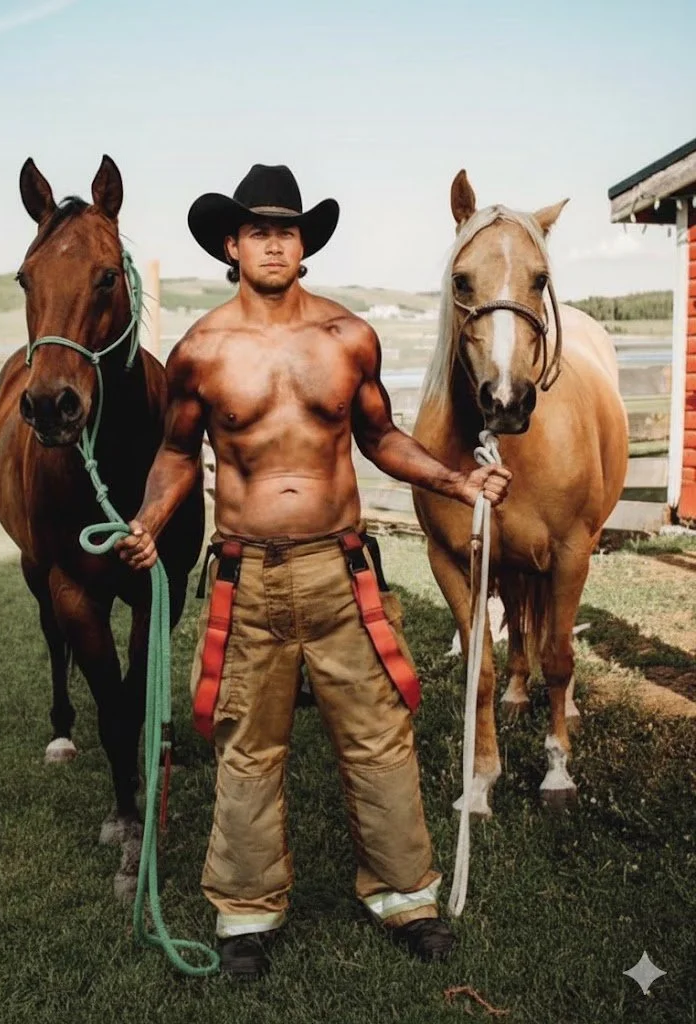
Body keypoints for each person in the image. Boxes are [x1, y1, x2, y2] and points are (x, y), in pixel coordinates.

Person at [115, 164, 511, 978]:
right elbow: (175, 453)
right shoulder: (200, 351)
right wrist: (149, 520)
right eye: (256, 229)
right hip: (246, 581)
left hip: (341, 573)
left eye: (286, 229)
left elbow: (382, 438)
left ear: (305, 245)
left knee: (378, 736)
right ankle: (246, 916)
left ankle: (407, 896)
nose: (272, 241)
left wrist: (455, 478)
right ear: (231, 244)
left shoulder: (347, 337)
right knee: (247, 747)